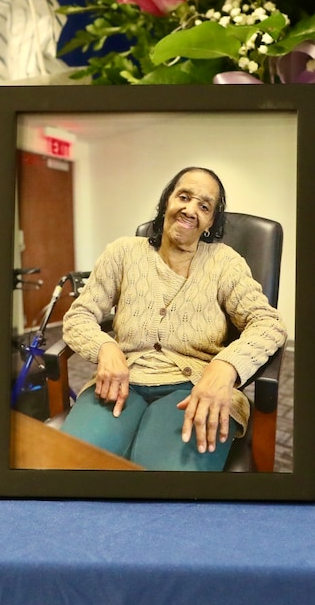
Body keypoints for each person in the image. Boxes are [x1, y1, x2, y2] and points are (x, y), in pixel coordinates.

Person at [60, 166, 287, 470]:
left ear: (210, 222)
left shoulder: (224, 262)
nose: (190, 209)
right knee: (71, 465)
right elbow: (79, 316)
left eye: (204, 206)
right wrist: (106, 348)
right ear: (167, 201)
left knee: (166, 483)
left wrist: (226, 367)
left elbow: (268, 323)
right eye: (184, 196)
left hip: (195, 385)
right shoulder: (123, 253)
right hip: (123, 381)